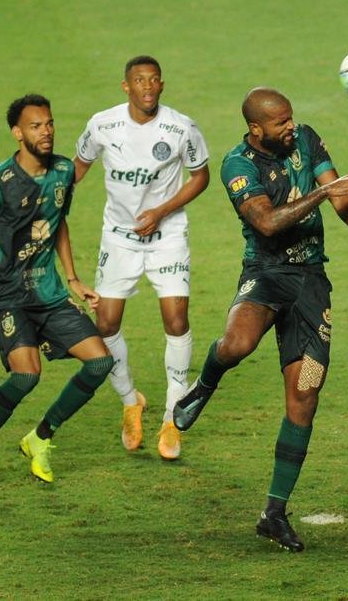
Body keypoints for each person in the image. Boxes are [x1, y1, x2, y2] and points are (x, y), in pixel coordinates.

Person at [171, 87, 348, 551]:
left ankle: (273, 512)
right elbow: (269, 223)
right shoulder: (238, 165)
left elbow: (338, 195)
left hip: (310, 282)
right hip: (266, 272)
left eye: (291, 119)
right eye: (280, 123)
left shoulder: (307, 139)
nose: (290, 127)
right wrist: (323, 191)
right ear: (257, 128)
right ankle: (206, 383)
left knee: (305, 394)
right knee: (236, 345)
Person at [0, 94, 114, 502]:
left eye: (50, 124)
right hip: (8, 296)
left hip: (50, 292)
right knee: (27, 375)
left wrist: (73, 278)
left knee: (100, 363)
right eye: (37, 126)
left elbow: (57, 222)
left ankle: (40, 436)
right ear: (17, 133)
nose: (47, 132)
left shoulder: (62, 171)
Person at [73, 56, 210, 460]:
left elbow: (200, 176)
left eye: (153, 80)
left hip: (167, 235)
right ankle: (131, 401)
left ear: (162, 86)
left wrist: (162, 210)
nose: (147, 86)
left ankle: (172, 415)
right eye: (139, 80)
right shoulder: (102, 124)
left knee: (176, 319)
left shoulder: (181, 127)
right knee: (106, 323)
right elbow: (77, 168)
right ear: (126, 86)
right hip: (118, 239)